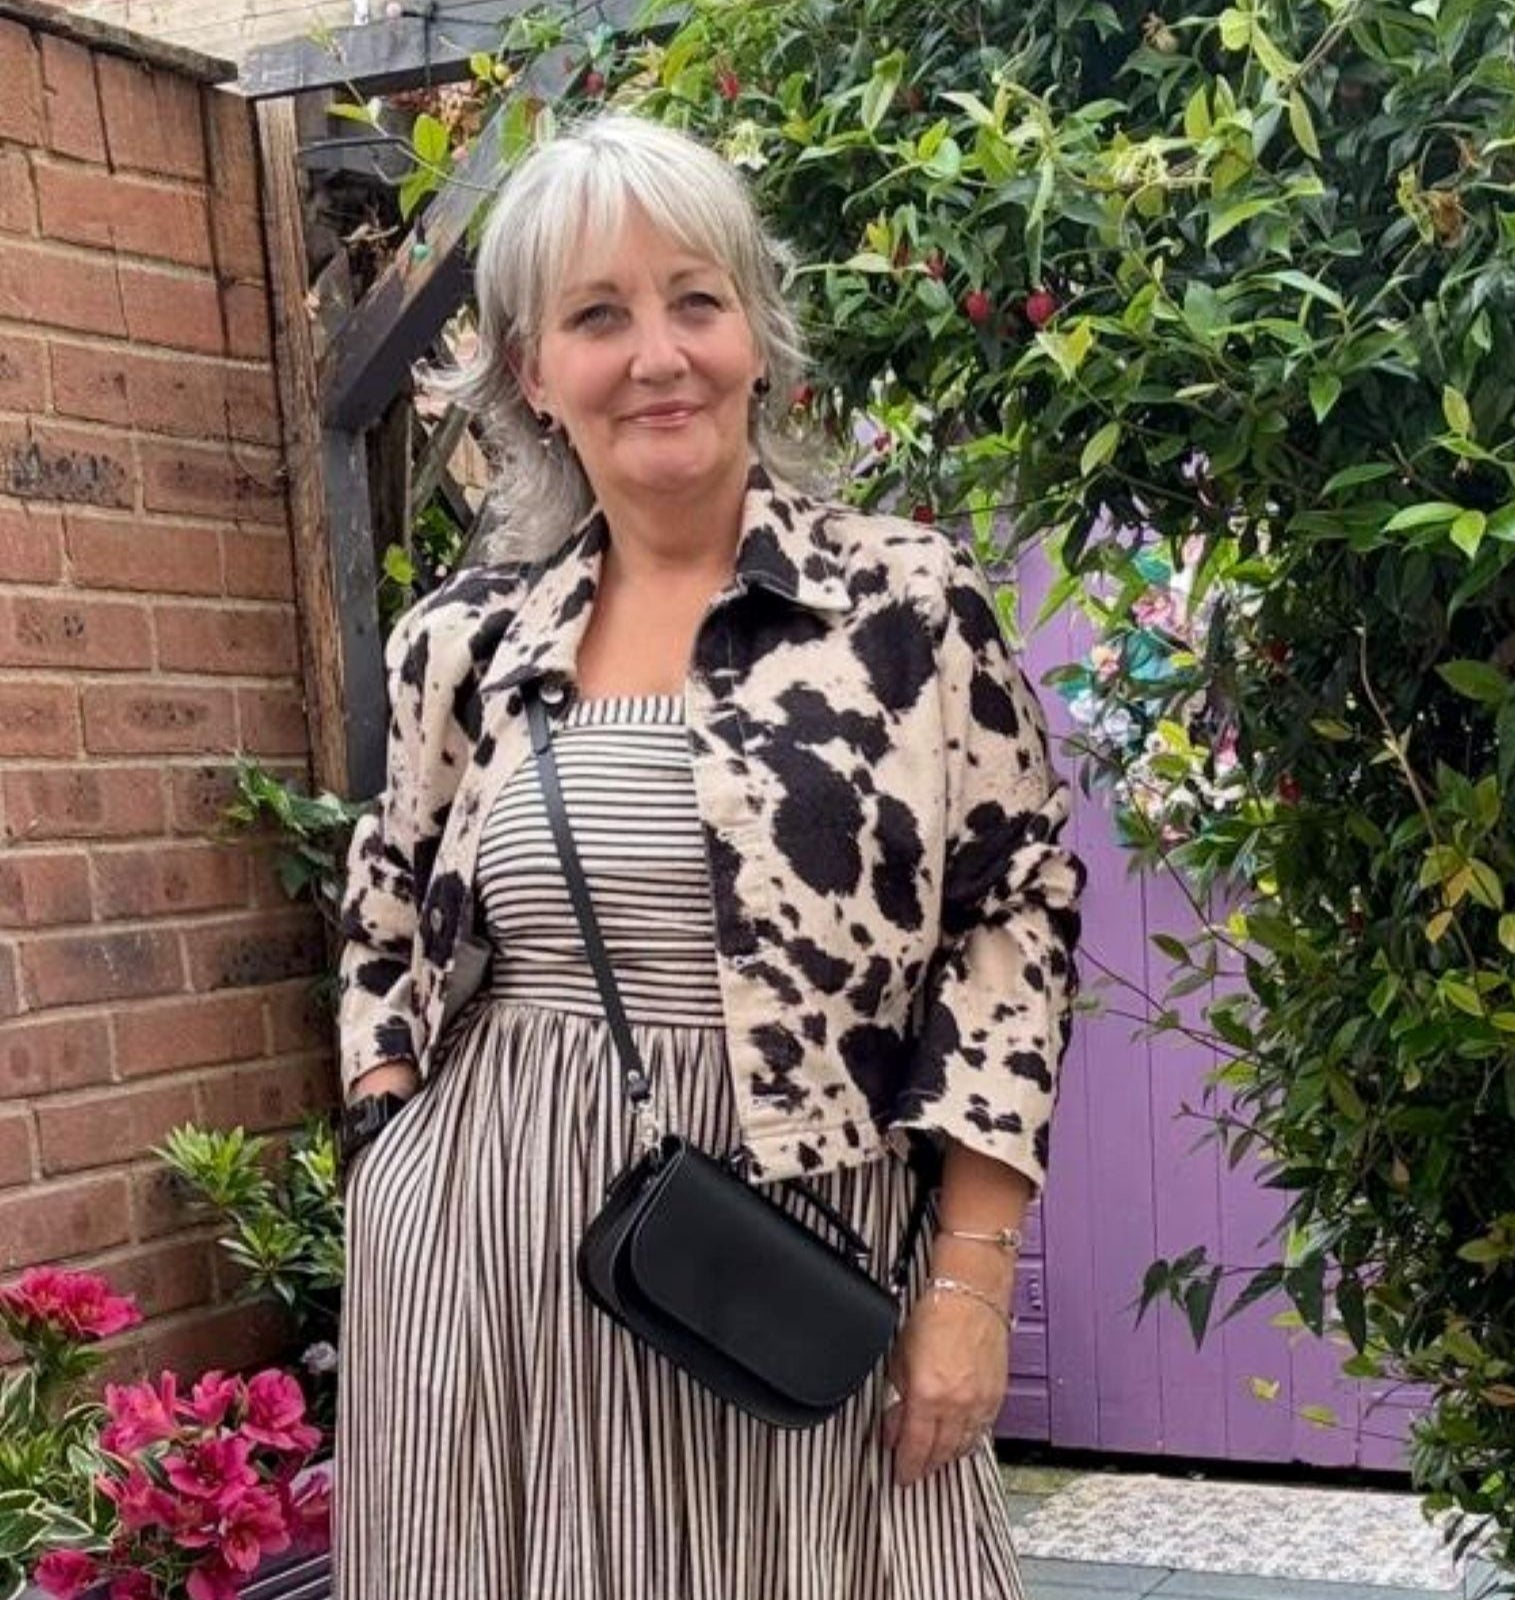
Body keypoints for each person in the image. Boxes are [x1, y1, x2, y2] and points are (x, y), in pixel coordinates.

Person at [333, 110, 1084, 1600]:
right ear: (532, 371)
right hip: (488, 1271)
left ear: (754, 334)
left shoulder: (900, 608)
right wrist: (392, 1155)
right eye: (598, 317)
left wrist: (971, 1280)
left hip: (794, 1255)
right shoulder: (465, 643)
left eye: (695, 300)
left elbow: (1016, 923)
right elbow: (383, 917)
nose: (658, 355)